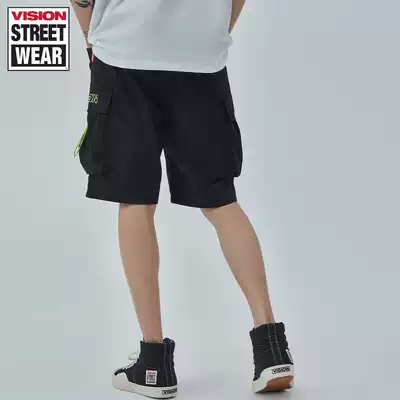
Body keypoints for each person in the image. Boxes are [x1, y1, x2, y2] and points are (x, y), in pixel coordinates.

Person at [71, 0, 295, 398]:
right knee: (221, 200)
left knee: (134, 201)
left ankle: (153, 364)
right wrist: (210, 32)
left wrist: (91, 37)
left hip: (124, 53)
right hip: (200, 61)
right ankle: (271, 348)